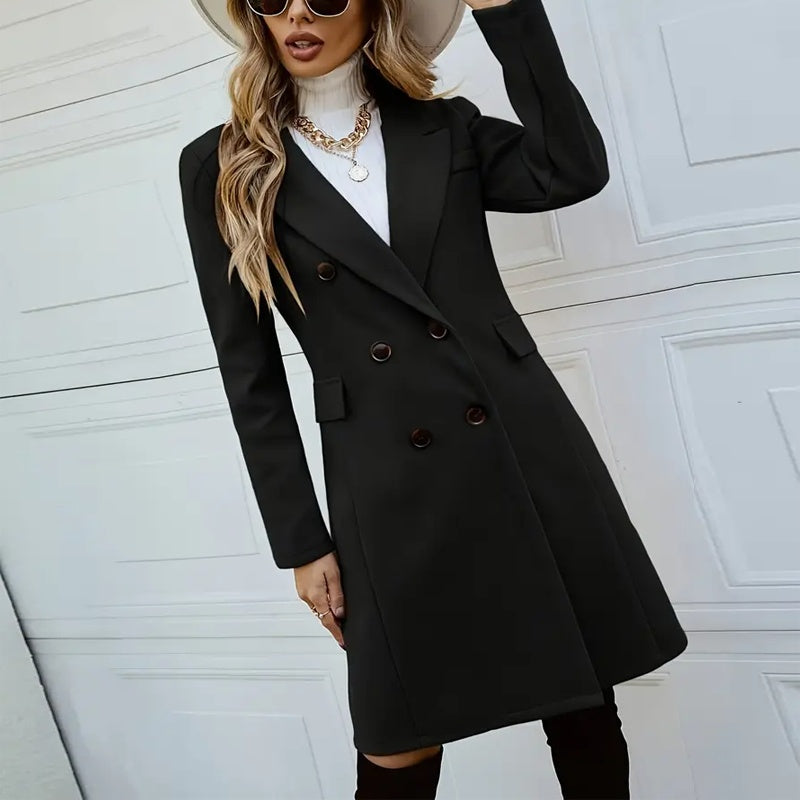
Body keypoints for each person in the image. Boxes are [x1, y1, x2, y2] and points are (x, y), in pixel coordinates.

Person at [178, 0, 689, 797]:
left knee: (583, 702)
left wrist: (510, 16)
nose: (298, 13)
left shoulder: (444, 128)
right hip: (385, 482)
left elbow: (570, 169)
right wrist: (302, 542)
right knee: (398, 737)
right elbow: (250, 373)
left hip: (519, 448)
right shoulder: (225, 163)